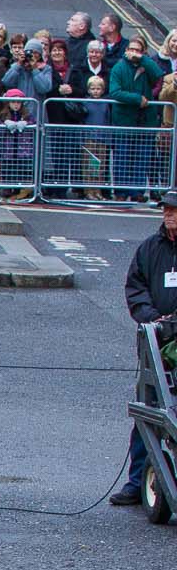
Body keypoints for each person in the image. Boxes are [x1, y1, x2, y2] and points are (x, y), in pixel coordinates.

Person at [115, 191, 177, 506]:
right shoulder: (150, 249)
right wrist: (154, 319)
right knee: (148, 409)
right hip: (155, 344)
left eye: (174, 210)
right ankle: (138, 481)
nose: (170, 215)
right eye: (167, 210)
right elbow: (135, 288)